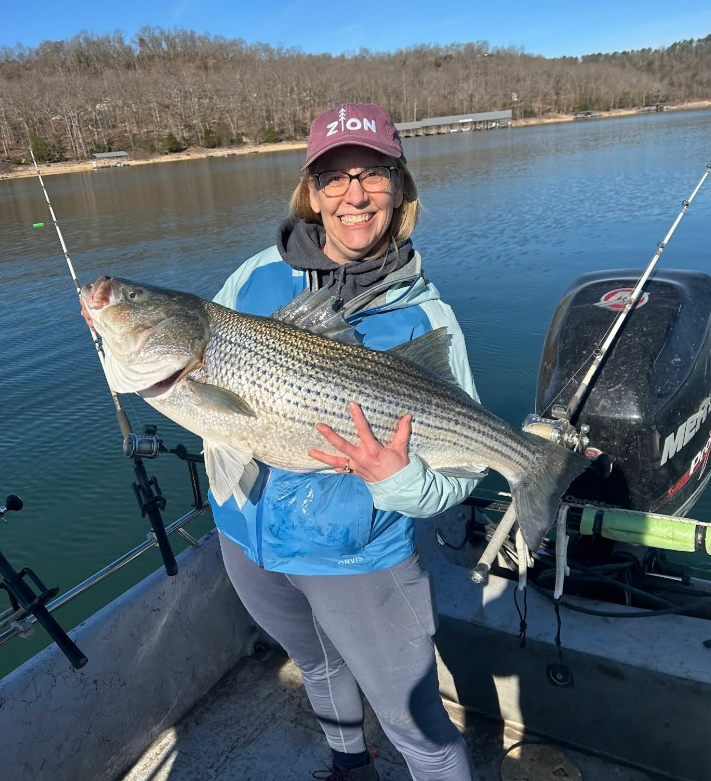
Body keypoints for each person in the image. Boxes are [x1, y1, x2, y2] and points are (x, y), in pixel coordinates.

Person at [211, 103, 482, 781]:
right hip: (247, 541)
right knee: (316, 665)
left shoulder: (427, 315)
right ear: (310, 191)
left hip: (360, 561)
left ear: (400, 187)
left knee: (417, 726)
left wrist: (400, 480)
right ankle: (349, 766)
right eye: (332, 176)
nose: (353, 194)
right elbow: (188, 367)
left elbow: (470, 462)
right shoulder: (253, 277)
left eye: (372, 174)